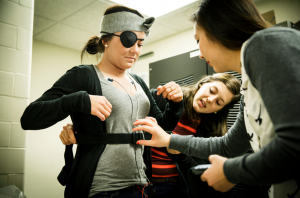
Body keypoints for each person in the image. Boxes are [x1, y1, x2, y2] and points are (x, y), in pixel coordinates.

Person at [132, 0, 300, 197]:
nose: (200, 55)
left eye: (198, 40)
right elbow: (227, 146)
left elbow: (294, 145)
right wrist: (169, 139)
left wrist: (231, 171)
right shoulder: (249, 84)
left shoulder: (264, 44)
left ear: (217, 30)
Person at [20, 5, 184, 198]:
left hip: (141, 187)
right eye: (128, 40)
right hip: (102, 190)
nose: (135, 50)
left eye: (140, 43)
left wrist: (175, 104)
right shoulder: (83, 75)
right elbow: (29, 118)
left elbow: (162, 125)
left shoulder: (138, 82)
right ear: (105, 40)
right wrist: (79, 100)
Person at [60, 73, 241, 198]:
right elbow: (118, 116)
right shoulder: (164, 98)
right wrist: (78, 128)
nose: (210, 100)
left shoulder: (211, 132)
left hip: (175, 188)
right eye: (212, 91)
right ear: (203, 84)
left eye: (218, 102)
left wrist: (179, 152)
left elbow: (199, 172)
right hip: (140, 183)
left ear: (220, 110)